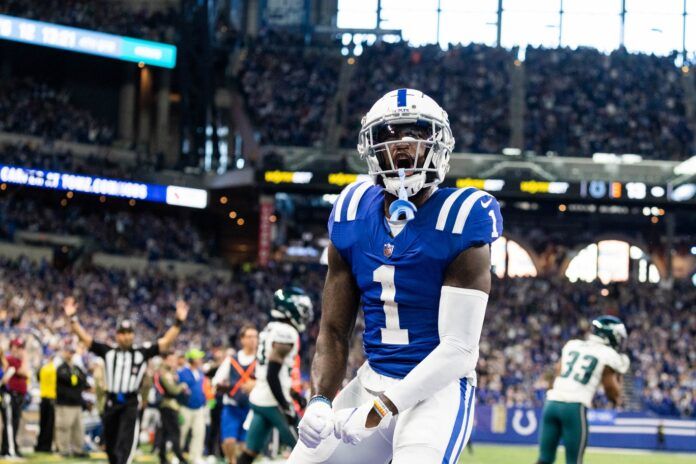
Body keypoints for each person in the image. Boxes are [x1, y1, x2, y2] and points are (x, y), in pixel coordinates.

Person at [289, 88, 503, 464]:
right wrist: (321, 400)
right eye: (388, 136)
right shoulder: (352, 210)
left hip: (437, 391)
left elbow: (459, 349)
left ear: (438, 145)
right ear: (370, 149)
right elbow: (333, 331)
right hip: (373, 379)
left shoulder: (463, 216)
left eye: (416, 134)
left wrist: (380, 410)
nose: (402, 147)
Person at [63, 296, 189, 464]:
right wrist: (72, 318)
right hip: (111, 401)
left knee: (125, 442)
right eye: (122, 333)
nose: (126, 337)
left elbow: (164, 343)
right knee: (111, 444)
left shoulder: (140, 353)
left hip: (130, 402)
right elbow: (86, 339)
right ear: (117, 335)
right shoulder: (108, 352)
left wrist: (178, 322)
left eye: (129, 333)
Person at [536, 316, 631, 464]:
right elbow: (610, 388)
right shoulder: (608, 354)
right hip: (574, 407)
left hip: (551, 404)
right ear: (612, 334)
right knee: (574, 461)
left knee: (545, 459)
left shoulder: (572, 345)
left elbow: (557, 372)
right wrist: (616, 398)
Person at [237, 288, 313, 464]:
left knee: (249, 453)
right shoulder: (286, 332)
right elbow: (272, 374)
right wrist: (286, 405)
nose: (304, 314)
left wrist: (293, 395)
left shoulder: (270, 328)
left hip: (260, 398)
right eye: (301, 309)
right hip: (272, 401)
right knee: (306, 449)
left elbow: (274, 374)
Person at [213, 325, 258, 464]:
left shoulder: (261, 360)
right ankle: (231, 461)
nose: (253, 340)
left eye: (255, 337)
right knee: (229, 441)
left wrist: (255, 384)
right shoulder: (232, 360)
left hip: (251, 408)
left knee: (245, 445)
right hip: (232, 407)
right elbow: (216, 381)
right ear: (242, 339)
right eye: (249, 337)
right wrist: (227, 387)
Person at [55, 340, 89, 458]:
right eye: (69, 352)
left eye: (72, 352)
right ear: (64, 353)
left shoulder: (76, 368)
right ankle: (63, 450)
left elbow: (84, 380)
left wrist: (75, 379)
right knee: (64, 428)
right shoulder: (60, 367)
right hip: (65, 403)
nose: (70, 354)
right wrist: (75, 380)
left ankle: (77, 450)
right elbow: (67, 379)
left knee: (78, 429)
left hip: (77, 403)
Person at [155, 351, 189, 464]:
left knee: (165, 432)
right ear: (165, 359)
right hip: (168, 404)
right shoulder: (164, 372)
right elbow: (172, 390)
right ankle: (179, 456)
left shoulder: (170, 372)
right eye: (171, 360)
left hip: (168, 405)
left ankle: (163, 457)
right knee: (175, 431)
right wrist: (181, 387)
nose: (174, 362)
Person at [178, 348, 208, 464]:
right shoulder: (182, 372)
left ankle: (195, 456)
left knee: (199, 433)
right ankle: (178, 455)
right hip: (185, 407)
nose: (201, 359)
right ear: (192, 359)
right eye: (198, 357)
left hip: (199, 408)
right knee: (182, 432)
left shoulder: (200, 372)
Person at [1, 338, 30, 458]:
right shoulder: (10, 359)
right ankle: (9, 449)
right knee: (11, 423)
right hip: (12, 395)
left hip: (18, 395)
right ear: (12, 348)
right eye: (17, 347)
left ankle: (10, 448)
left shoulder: (16, 360)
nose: (20, 350)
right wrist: (25, 357)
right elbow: (25, 372)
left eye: (21, 348)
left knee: (14, 423)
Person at [35, 349, 60, 452]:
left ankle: (40, 445)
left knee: (42, 424)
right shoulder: (53, 369)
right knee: (49, 425)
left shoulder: (43, 368)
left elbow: (38, 379)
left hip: (43, 398)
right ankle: (46, 446)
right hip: (51, 398)